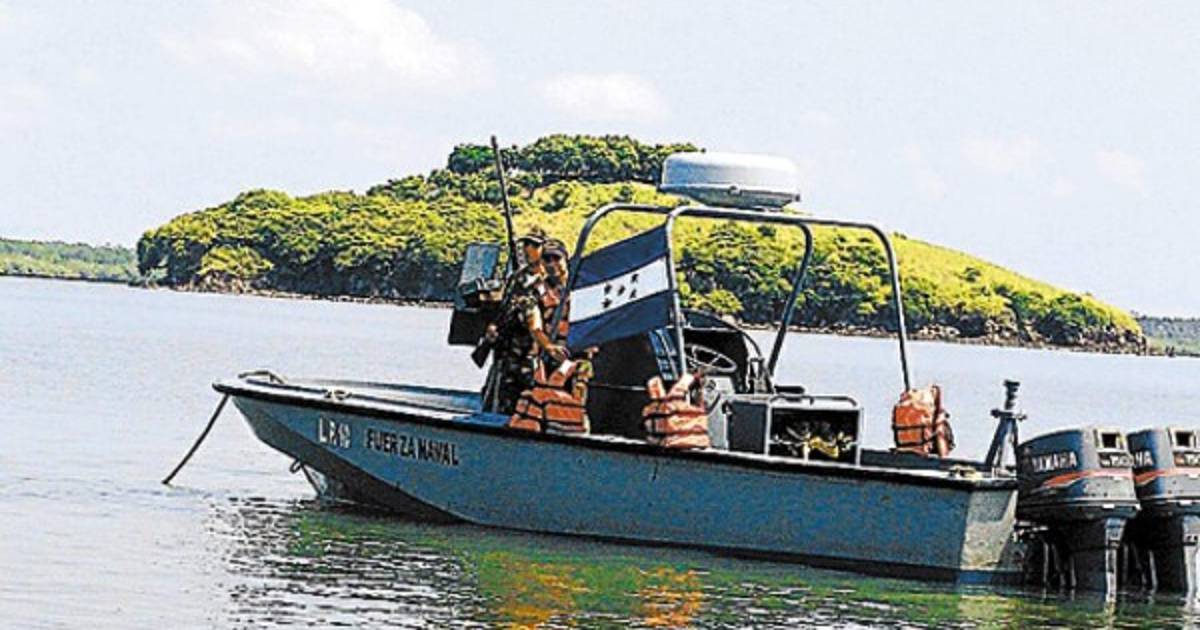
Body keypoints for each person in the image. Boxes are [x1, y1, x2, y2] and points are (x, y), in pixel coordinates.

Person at [483, 228, 549, 413]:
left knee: (529, 396)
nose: (528, 249)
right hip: (508, 347)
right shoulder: (516, 278)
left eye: (534, 245)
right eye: (526, 244)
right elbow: (504, 306)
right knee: (504, 393)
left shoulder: (548, 280)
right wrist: (494, 326)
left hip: (532, 348)